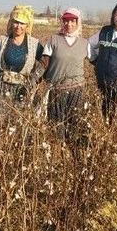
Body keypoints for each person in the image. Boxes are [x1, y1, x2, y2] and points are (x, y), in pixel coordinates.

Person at [0, 5, 46, 119]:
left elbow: (45, 62)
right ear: (11, 23)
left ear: (27, 25)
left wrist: (35, 78)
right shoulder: (1, 41)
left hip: (21, 89)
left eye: (22, 23)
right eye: (16, 22)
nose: (18, 26)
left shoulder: (34, 44)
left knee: (17, 121)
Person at [41, 8, 90, 139]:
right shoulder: (54, 40)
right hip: (56, 89)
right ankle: (58, 152)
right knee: (55, 126)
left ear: (78, 22)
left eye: (73, 21)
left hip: (76, 90)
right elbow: (44, 62)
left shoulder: (85, 44)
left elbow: (96, 61)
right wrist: (33, 80)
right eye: (66, 21)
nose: (69, 24)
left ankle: (71, 153)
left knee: (74, 125)